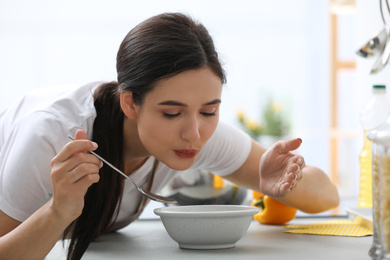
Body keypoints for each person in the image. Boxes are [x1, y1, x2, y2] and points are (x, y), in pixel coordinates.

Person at [0, 12, 339, 260]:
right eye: (171, 113)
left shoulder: (198, 136)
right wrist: (58, 211)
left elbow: (328, 197)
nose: (194, 133)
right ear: (130, 102)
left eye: (209, 111)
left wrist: (286, 183)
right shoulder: (50, 134)